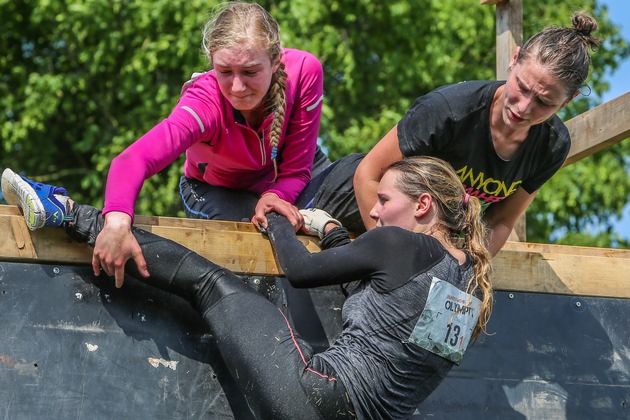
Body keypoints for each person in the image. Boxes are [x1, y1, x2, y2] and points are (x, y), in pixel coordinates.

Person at [2, 155, 493, 419]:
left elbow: (300, 272)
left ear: (423, 206)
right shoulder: (467, 290)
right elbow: (376, 304)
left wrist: (277, 216)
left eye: (384, 201)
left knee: (214, 285)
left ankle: (68, 214)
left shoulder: (399, 244)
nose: (377, 212)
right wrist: (333, 234)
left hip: (319, 394)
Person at [38, 2, 328, 285]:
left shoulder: (304, 71)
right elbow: (132, 159)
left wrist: (275, 195)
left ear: (276, 60)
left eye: (250, 72)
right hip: (215, 189)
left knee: (353, 183)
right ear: (212, 61)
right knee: (258, 249)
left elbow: (296, 171)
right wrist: (115, 223)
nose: (237, 88)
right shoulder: (204, 103)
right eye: (225, 71)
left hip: (282, 177)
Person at [305, 11, 601, 256]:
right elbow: (368, 174)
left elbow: (499, 220)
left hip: (415, 241)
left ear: (568, 100)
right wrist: (392, 259)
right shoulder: (450, 110)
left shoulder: (551, 146)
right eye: (522, 87)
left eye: (544, 102)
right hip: (345, 205)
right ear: (514, 59)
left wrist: (465, 269)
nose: (523, 107)